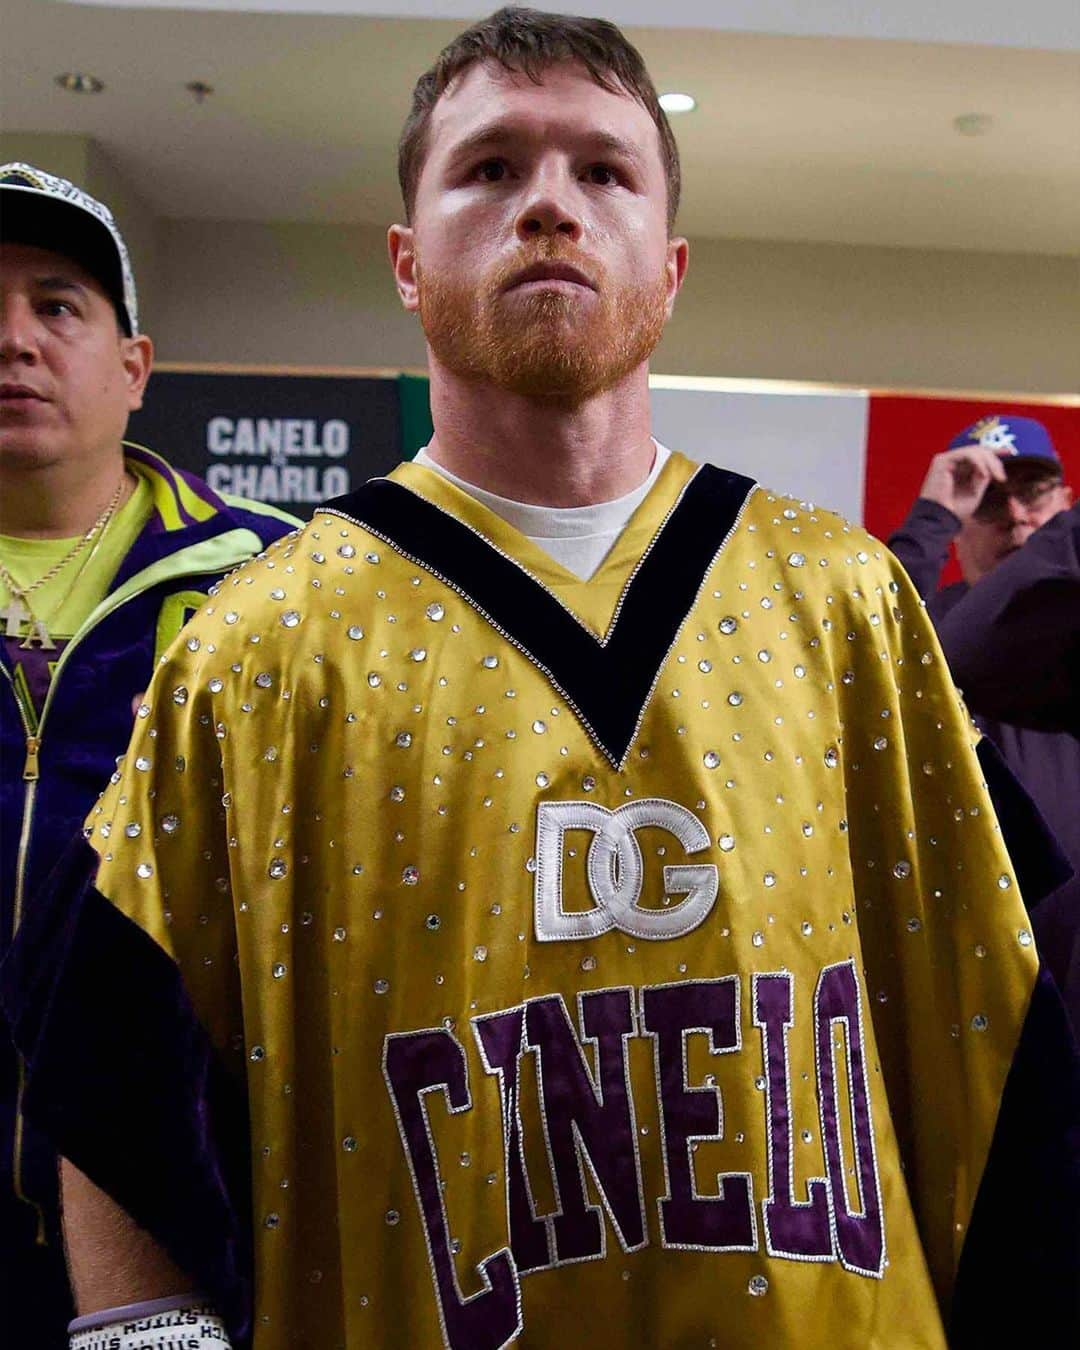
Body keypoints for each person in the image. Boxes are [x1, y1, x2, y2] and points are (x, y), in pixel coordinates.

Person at [3, 13, 1078, 1349]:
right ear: (407, 260)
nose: (550, 207)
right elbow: (114, 1081)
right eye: (492, 168)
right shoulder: (256, 642)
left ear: (669, 268)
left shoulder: (846, 597)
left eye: (604, 173)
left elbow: (1003, 1042)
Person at [0, 162, 299, 1345]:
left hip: (185, 1253)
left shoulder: (276, 590)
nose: (12, 341)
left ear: (135, 366)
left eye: (57, 305)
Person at [888, 418, 1080, 1027]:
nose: (1018, 519)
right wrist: (930, 514)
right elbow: (852, 650)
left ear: (1067, 503)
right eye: (992, 503)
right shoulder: (923, 631)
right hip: (954, 975)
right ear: (960, 525)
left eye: (1035, 494)